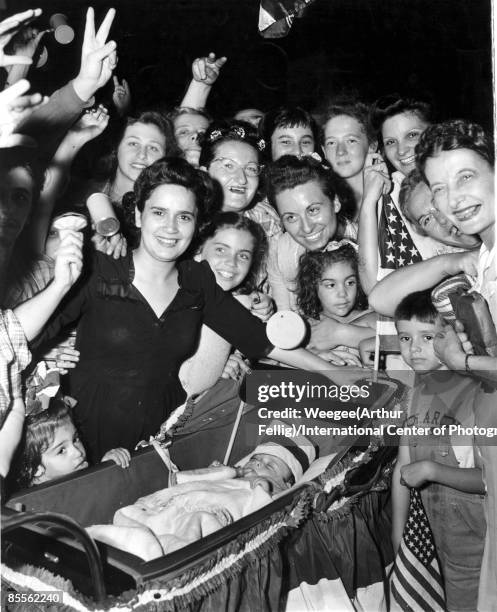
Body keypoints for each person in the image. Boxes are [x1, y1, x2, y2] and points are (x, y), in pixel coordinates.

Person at [34, 157, 357, 463]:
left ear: (197, 223)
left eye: (184, 216)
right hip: (84, 445)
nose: (171, 228)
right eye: (159, 213)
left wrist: (338, 375)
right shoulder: (100, 270)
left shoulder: (197, 280)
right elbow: (27, 337)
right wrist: (50, 352)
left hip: (158, 444)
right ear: (137, 216)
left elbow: (259, 340)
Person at [391, 291, 486, 611]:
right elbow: (403, 468)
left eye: (428, 337)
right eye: (405, 337)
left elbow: (488, 481)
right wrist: (398, 534)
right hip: (430, 539)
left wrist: (434, 471)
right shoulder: (415, 392)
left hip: (474, 547)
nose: (414, 348)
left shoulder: (477, 396)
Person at [90, 426, 316, 560]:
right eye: (256, 459)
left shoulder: (272, 493)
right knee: (131, 514)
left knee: (194, 524)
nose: (257, 466)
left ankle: (160, 554)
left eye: (270, 466)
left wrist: (262, 487)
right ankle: (113, 540)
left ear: (286, 484)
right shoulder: (229, 475)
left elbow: (260, 516)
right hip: (172, 507)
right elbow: (179, 480)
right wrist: (218, 472)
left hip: (205, 517)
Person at [358, 95, 443, 294]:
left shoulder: (459, 176)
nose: (402, 150)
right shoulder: (389, 191)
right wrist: (369, 200)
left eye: (412, 135)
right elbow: (372, 287)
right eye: (390, 142)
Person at [179, 211, 271, 394]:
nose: (232, 262)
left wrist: (229, 358)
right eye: (221, 250)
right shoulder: (180, 292)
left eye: (243, 255)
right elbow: (190, 384)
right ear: (198, 251)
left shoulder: (240, 300)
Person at [265, 155, 356, 313]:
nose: (306, 228)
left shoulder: (367, 240)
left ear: (335, 203)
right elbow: (285, 319)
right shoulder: (281, 252)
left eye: (313, 210)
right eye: (291, 217)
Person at [9, 398, 130, 490]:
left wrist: (105, 470)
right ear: (34, 469)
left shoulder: (74, 478)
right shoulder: (37, 507)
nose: (77, 452)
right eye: (61, 450)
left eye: (75, 439)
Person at [199, 120, 282, 241]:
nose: (242, 179)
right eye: (228, 166)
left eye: (251, 168)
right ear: (204, 172)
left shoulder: (265, 219)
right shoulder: (188, 219)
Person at [296, 242, 376, 358]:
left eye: (350, 283)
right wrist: (315, 355)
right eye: (331, 285)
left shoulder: (371, 318)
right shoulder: (307, 326)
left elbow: (402, 338)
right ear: (313, 286)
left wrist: (342, 333)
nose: (342, 293)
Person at [320, 100, 377, 220]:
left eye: (351, 141)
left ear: (372, 146)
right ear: (324, 151)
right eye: (331, 143)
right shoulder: (321, 204)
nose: (340, 151)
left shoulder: (392, 196)